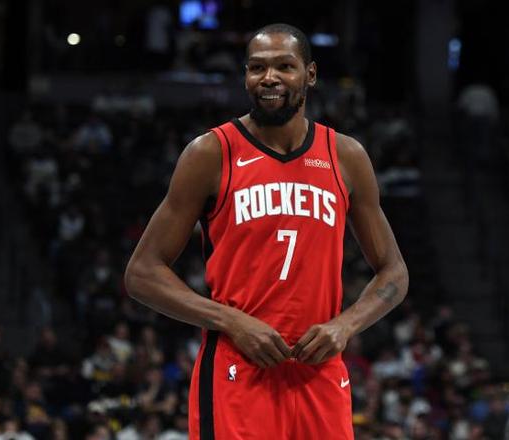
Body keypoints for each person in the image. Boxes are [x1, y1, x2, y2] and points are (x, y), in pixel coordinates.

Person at [124, 23, 409, 439]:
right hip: (239, 370)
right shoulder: (211, 153)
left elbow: (394, 273)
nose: (269, 77)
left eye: (284, 66)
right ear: (245, 76)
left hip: (319, 373)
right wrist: (232, 322)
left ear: (310, 74)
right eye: (257, 67)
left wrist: (345, 326)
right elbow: (142, 273)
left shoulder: (345, 156)